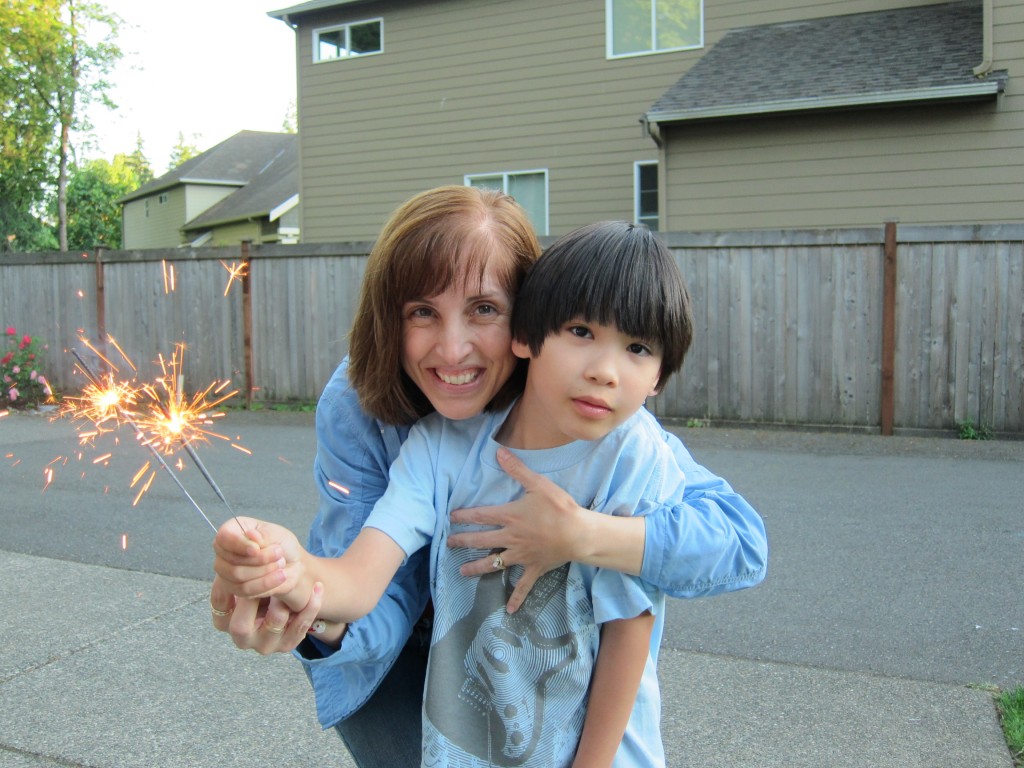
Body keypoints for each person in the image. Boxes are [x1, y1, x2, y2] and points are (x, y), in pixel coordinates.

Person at [210, 186, 767, 766]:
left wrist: (578, 535)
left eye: (483, 309)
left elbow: (715, 563)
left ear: (520, 322)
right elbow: (361, 579)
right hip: (450, 706)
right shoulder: (410, 436)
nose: (453, 350)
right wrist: (294, 576)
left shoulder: (625, 449)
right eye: (422, 311)